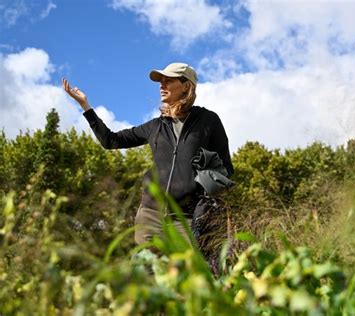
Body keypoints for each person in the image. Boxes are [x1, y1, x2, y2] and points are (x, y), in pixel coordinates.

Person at [62, 62, 233, 247]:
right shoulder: (155, 127)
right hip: (151, 215)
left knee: (184, 272)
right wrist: (85, 106)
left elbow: (225, 169)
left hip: (186, 218)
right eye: (161, 81)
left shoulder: (208, 121)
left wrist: (204, 194)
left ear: (186, 86)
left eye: (168, 81)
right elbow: (110, 141)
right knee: (149, 270)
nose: (162, 85)